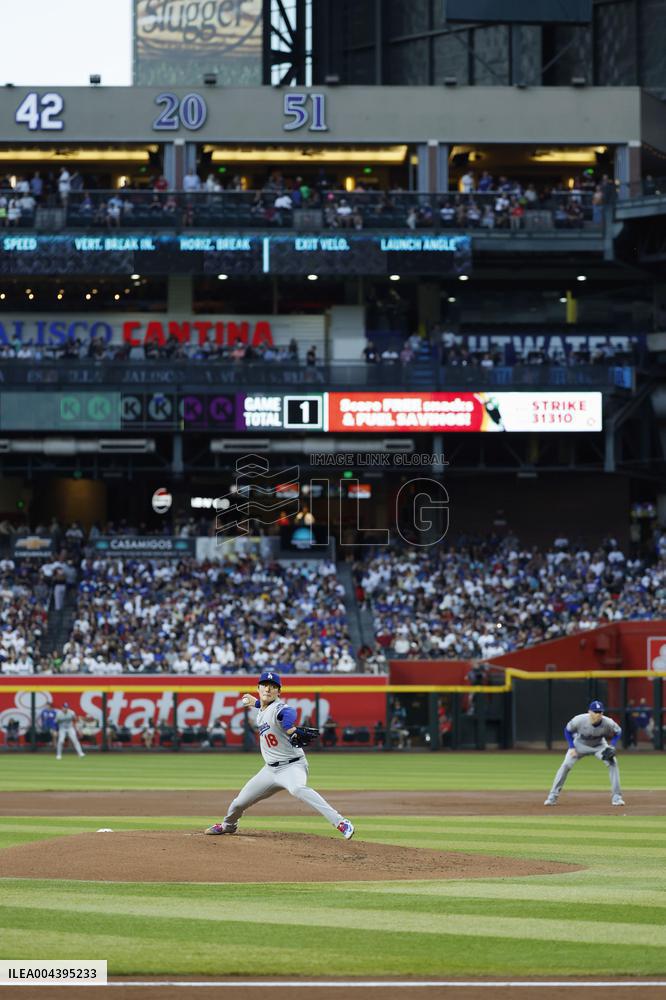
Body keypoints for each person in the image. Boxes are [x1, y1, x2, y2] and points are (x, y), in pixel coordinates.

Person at [204, 670, 354, 839]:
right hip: (269, 771)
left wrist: (289, 727)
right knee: (239, 803)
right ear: (258, 688)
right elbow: (263, 706)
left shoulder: (279, 708)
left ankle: (340, 822)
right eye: (264, 685)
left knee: (297, 789)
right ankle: (228, 826)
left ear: (279, 692)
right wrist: (255, 703)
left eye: (273, 687)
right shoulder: (263, 708)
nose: (268, 689)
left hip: (292, 766)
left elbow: (287, 713)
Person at [544, 700, 624, 806]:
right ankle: (552, 797)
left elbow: (618, 731)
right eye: (595, 712)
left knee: (613, 763)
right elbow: (567, 730)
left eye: (600, 712)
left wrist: (612, 745)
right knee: (566, 765)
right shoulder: (579, 719)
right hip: (580, 744)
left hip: (599, 745)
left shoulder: (608, 722)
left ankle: (617, 797)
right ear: (589, 712)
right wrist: (571, 747)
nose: (598, 714)